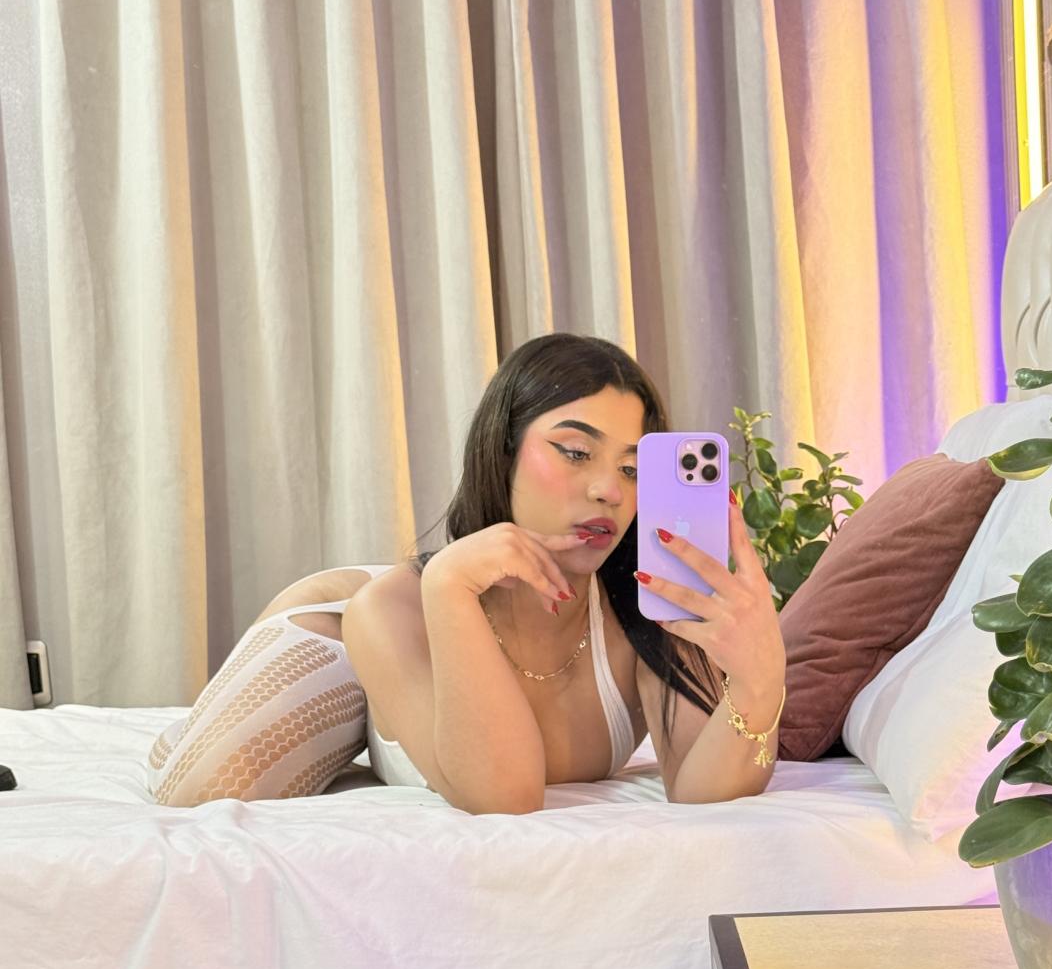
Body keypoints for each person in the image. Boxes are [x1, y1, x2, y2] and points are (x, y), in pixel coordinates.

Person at [149, 334, 786, 811]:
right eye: (574, 452)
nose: (609, 491)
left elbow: (704, 791)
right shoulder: (392, 609)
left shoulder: (647, 607)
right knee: (202, 791)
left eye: (631, 467)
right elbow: (507, 795)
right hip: (356, 625)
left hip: (430, 604)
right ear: (502, 451)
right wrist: (448, 589)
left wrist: (761, 676)